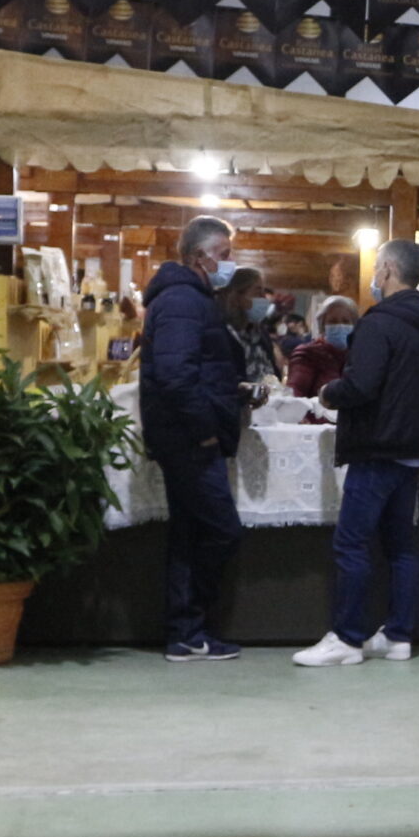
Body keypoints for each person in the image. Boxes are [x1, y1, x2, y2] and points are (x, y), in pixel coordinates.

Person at [293, 239, 419, 667]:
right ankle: (399, 636)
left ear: (388, 271)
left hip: (376, 448)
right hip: (412, 451)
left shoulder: (379, 323)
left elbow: (361, 385)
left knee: (351, 543)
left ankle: (347, 638)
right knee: (401, 546)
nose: (374, 277)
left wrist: (328, 393)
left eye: (377, 268)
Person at [138, 215, 248, 661]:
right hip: (187, 439)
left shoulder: (190, 297)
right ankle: (188, 625)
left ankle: (186, 632)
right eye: (223, 254)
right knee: (222, 530)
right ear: (198, 257)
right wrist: (205, 429)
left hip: (182, 434)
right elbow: (175, 374)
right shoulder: (184, 299)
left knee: (190, 532)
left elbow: (194, 368)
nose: (229, 263)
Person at [222, 267, 284, 385]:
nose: (264, 298)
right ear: (237, 297)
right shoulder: (225, 334)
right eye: (257, 292)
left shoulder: (260, 334)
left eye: (263, 292)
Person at [287, 296, 356, 399]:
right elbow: (295, 393)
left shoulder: (359, 356)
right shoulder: (307, 354)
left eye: (345, 321)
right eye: (333, 321)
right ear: (323, 326)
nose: (340, 325)